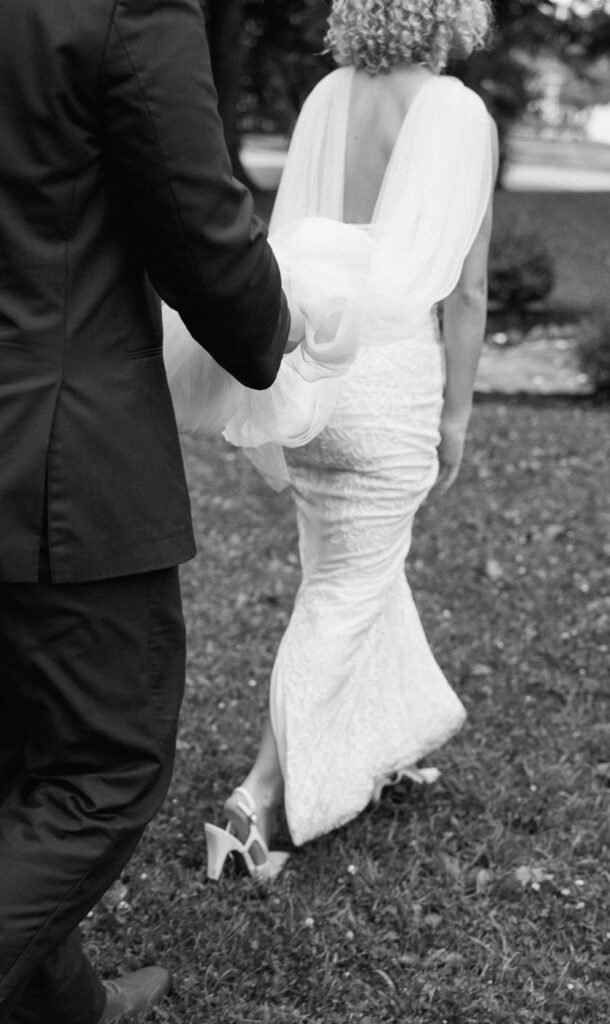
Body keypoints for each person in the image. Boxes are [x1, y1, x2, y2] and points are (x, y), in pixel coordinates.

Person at [0, 1, 294, 1021]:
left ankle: (64, 1004)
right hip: (56, 454)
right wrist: (277, 317)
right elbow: (192, 218)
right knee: (108, 765)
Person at [200, 0, 499, 879]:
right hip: (392, 384)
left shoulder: (328, 93)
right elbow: (469, 290)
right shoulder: (456, 111)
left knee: (355, 572)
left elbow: (293, 239)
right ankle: (254, 802)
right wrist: (456, 419)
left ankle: (379, 741)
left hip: (317, 376)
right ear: (451, 12)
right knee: (344, 588)